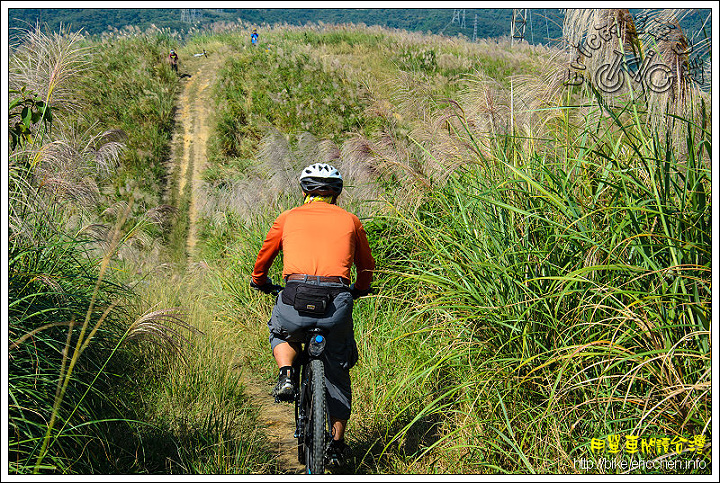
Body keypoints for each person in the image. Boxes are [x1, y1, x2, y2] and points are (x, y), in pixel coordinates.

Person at [250, 163, 375, 462]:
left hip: (295, 298)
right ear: (336, 194)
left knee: (281, 330)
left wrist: (260, 281)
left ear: (305, 191)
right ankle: (336, 444)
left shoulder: (288, 217)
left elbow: (264, 257)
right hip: (336, 303)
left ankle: (286, 375)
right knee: (338, 365)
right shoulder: (351, 220)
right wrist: (359, 288)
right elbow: (366, 266)